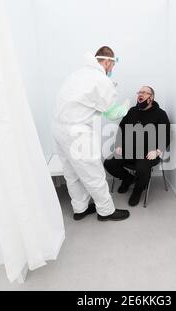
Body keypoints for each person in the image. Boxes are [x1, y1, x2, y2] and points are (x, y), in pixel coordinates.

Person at [52, 46, 130, 222]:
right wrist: (124, 108)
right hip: (77, 131)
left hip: (58, 128)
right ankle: (106, 211)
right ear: (108, 61)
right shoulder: (100, 80)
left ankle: (80, 209)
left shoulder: (77, 74)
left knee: (71, 173)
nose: (111, 70)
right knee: (93, 173)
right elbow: (111, 113)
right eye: (112, 65)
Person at [104, 86, 171, 206]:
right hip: (129, 149)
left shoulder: (160, 114)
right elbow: (121, 129)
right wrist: (119, 145)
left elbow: (165, 135)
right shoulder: (132, 111)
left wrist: (157, 151)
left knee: (142, 168)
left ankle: (137, 190)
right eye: (140, 92)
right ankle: (128, 178)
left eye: (145, 92)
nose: (141, 94)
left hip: (149, 152)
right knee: (109, 163)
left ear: (151, 97)